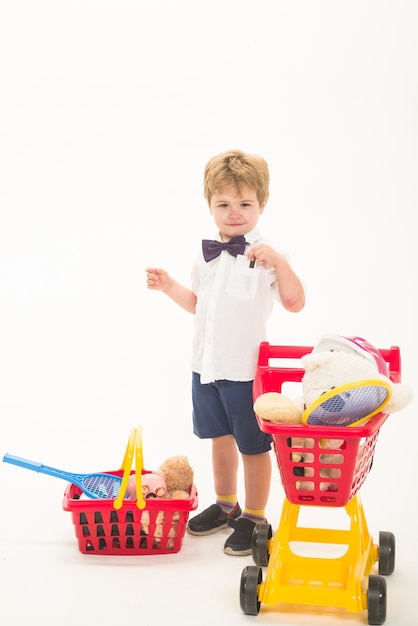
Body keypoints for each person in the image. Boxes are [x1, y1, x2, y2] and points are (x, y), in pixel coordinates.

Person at [146, 149, 305, 556]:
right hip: (206, 366)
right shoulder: (205, 252)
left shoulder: (268, 253)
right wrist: (169, 288)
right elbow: (199, 304)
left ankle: (254, 516)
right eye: (224, 204)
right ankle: (224, 504)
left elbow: (294, 303)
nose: (234, 213)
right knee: (218, 439)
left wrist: (281, 264)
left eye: (245, 204)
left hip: (244, 370)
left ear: (262, 204)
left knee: (252, 445)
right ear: (210, 206)